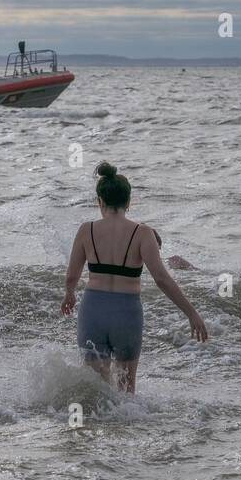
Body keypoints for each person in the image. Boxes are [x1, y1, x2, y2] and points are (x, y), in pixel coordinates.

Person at [62, 162, 208, 392]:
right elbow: (162, 279)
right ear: (129, 202)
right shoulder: (143, 233)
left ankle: (89, 425)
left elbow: (72, 276)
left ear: (99, 201)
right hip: (126, 313)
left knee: (95, 391)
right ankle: (127, 428)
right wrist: (192, 313)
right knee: (126, 391)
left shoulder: (85, 230)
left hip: (93, 312)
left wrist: (69, 294)